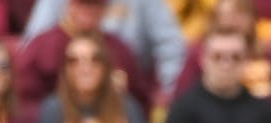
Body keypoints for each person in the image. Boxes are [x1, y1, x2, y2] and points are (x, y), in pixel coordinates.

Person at [23, 0, 188, 100]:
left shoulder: (118, 47)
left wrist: (168, 91)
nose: (89, 11)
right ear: (70, 5)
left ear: (105, 9)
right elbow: (26, 89)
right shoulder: (46, 42)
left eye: (96, 5)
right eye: (84, 4)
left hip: (111, 117)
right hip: (55, 115)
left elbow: (170, 45)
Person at [163, 26, 271, 123]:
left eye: (235, 57)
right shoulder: (182, 111)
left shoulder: (265, 112)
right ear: (203, 60)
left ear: (246, 61)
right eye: (217, 56)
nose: (226, 65)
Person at [38, 34, 153, 123]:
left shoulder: (127, 107)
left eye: (95, 59)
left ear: (105, 66)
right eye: (74, 61)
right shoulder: (53, 109)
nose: (85, 68)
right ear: (65, 69)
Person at [172, 0, 271, 104]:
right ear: (215, 19)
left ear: (253, 19)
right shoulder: (198, 53)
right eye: (227, 15)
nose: (233, 22)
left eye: (240, 14)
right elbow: (182, 96)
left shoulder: (270, 54)